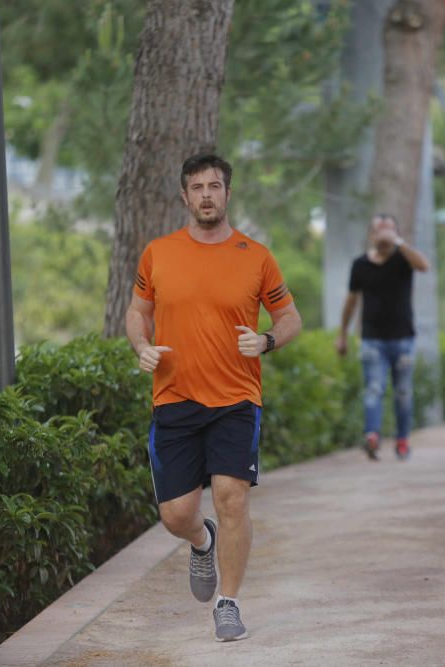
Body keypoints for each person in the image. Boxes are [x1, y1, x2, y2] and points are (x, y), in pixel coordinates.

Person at [125, 153, 302, 642]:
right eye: (197, 187)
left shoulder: (256, 255)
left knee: (231, 498)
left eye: (215, 186)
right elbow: (137, 312)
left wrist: (266, 340)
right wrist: (142, 346)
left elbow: (291, 319)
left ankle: (229, 602)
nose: (207, 194)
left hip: (236, 399)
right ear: (185, 197)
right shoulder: (158, 252)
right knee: (176, 514)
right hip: (175, 398)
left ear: (228, 193)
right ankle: (202, 542)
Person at [336, 213, 430, 461]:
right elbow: (351, 302)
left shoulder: (403, 258)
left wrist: (399, 243)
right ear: (372, 234)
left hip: (403, 338)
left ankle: (402, 439)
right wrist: (342, 334)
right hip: (372, 339)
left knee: (402, 392)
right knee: (374, 389)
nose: (385, 233)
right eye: (380, 229)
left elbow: (424, 266)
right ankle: (372, 436)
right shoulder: (360, 265)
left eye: (390, 229)